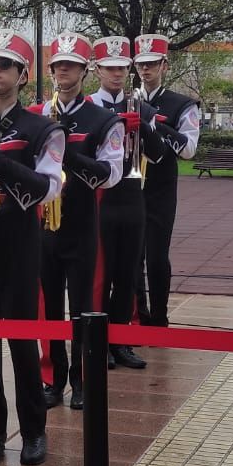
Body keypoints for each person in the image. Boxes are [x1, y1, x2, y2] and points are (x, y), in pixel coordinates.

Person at [0, 31, 63, 466]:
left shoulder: (42, 127)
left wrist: (0, 163)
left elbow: (50, 187)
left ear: (23, 75)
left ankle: (34, 429)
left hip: (20, 242)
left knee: (22, 342)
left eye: (4, 65)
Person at [36, 33, 123, 410]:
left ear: (85, 70)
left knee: (83, 307)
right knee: (49, 305)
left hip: (82, 224)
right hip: (43, 227)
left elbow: (112, 173)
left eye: (70, 64)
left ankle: (82, 379)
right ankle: (52, 377)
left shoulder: (103, 119)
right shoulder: (38, 115)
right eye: (58, 65)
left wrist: (68, 156)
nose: (63, 71)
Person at [90, 36, 158, 371]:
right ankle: (97, 342)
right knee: (99, 276)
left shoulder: (140, 105)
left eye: (121, 68)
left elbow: (159, 154)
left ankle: (120, 341)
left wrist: (143, 125)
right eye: (110, 68)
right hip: (100, 196)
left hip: (132, 194)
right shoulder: (88, 108)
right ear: (97, 70)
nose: (116, 74)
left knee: (128, 274)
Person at [132, 35, 201, 327]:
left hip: (160, 189)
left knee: (157, 256)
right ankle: (138, 314)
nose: (145, 70)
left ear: (164, 65)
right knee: (132, 258)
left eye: (152, 64)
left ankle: (159, 316)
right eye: (141, 65)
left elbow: (188, 149)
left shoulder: (181, 104)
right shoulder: (127, 100)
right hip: (131, 187)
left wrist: (155, 123)